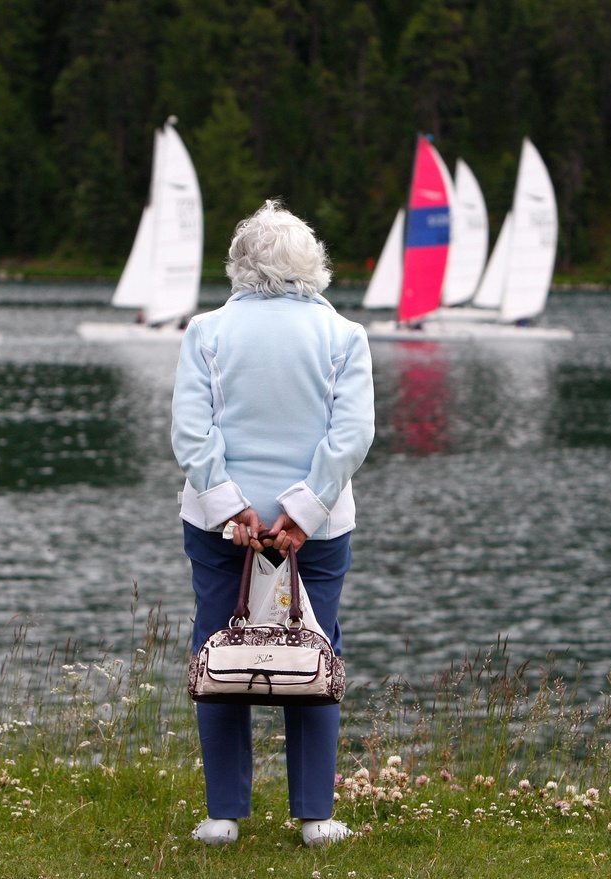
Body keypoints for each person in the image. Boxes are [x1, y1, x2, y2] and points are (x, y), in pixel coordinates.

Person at [171, 200, 375, 849]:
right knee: (315, 648)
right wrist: (301, 514)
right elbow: (350, 436)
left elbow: (192, 432)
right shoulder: (345, 335)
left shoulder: (205, 331)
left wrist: (233, 506)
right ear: (310, 263)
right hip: (315, 530)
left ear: (239, 263)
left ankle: (223, 815)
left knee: (219, 646)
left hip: (219, 524)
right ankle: (315, 815)